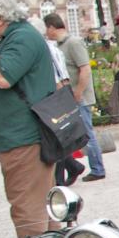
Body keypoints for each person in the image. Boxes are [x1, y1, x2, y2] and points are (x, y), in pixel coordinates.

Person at [0, 0, 61, 238]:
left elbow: (2, 78)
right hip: (22, 134)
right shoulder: (18, 37)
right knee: (41, 197)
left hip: (23, 136)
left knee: (25, 200)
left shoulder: (21, 38)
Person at [42, 13, 105, 182]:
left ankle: (98, 169)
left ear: (51, 27)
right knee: (73, 133)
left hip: (79, 96)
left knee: (86, 133)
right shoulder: (60, 45)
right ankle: (76, 167)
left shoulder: (74, 43)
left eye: (46, 29)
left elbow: (85, 69)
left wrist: (78, 92)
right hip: (70, 95)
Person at [32, 17, 85, 186]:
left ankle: (61, 179)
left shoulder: (44, 49)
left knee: (57, 137)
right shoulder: (53, 48)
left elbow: (56, 76)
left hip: (56, 92)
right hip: (62, 89)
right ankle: (71, 166)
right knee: (59, 136)